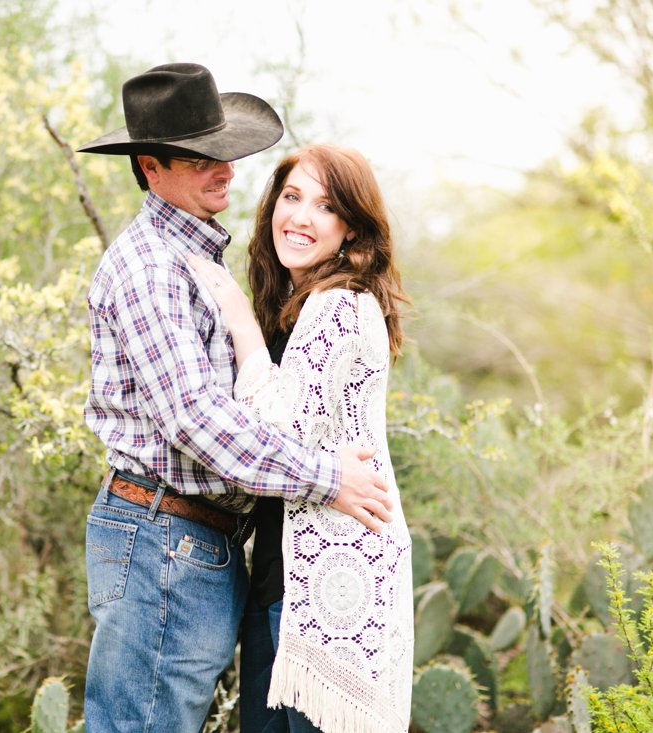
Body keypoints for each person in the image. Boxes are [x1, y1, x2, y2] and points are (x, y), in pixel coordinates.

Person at [76, 64, 393, 732]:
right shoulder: (150, 267)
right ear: (151, 168)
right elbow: (198, 420)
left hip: (195, 541)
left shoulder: (198, 258)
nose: (223, 168)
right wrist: (330, 477)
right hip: (164, 533)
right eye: (198, 158)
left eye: (223, 149)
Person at [187, 144, 413, 732]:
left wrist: (238, 321)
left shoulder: (338, 304)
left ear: (351, 229)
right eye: (292, 197)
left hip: (329, 582)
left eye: (325, 205)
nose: (301, 217)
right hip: (285, 575)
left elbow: (281, 430)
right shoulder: (302, 304)